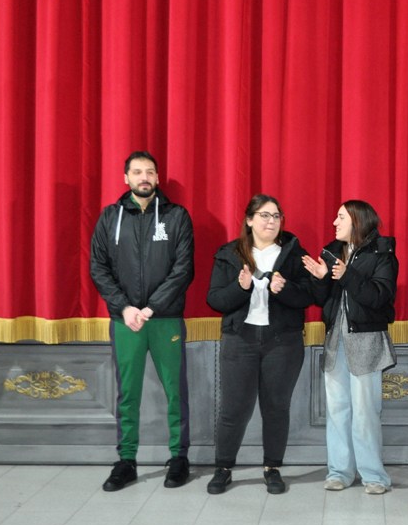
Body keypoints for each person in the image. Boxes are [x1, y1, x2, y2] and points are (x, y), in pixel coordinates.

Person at [90, 150, 195, 491]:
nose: (144, 177)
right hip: (126, 321)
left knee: (175, 391)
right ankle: (126, 461)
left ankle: (179, 458)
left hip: (165, 319)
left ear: (158, 177)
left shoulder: (177, 216)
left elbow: (183, 269)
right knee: (128, 394)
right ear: (126, 178)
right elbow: (98, 267)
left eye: (149, 171)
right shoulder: (110, 217)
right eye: (137, 172)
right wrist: (125, 308)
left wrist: (150, 308)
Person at [205, 194, 314, 495]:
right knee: (233, 409)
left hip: (283, 342)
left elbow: (309, 296)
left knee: (276, 407)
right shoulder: (229, 254)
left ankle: (272, 468)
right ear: (250, 220)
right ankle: (223, 468)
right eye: (264, 215)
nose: (271, 221)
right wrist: (240, 287)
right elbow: (215, 299)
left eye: (277, 216)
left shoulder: (294, 253)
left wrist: (285, 289)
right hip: (240, 340)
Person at [303, 200, 398, 494]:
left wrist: (347, 275)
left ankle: (374, 476)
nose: (334, 222)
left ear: (358, 221)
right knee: (337, 409)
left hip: (366, 341)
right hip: (336, 340)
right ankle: (339, 472)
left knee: (366, 412)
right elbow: (322, 300)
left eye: (341, 217)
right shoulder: (332, 252)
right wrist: (321, 280)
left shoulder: (383, 253)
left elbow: (379, 297)